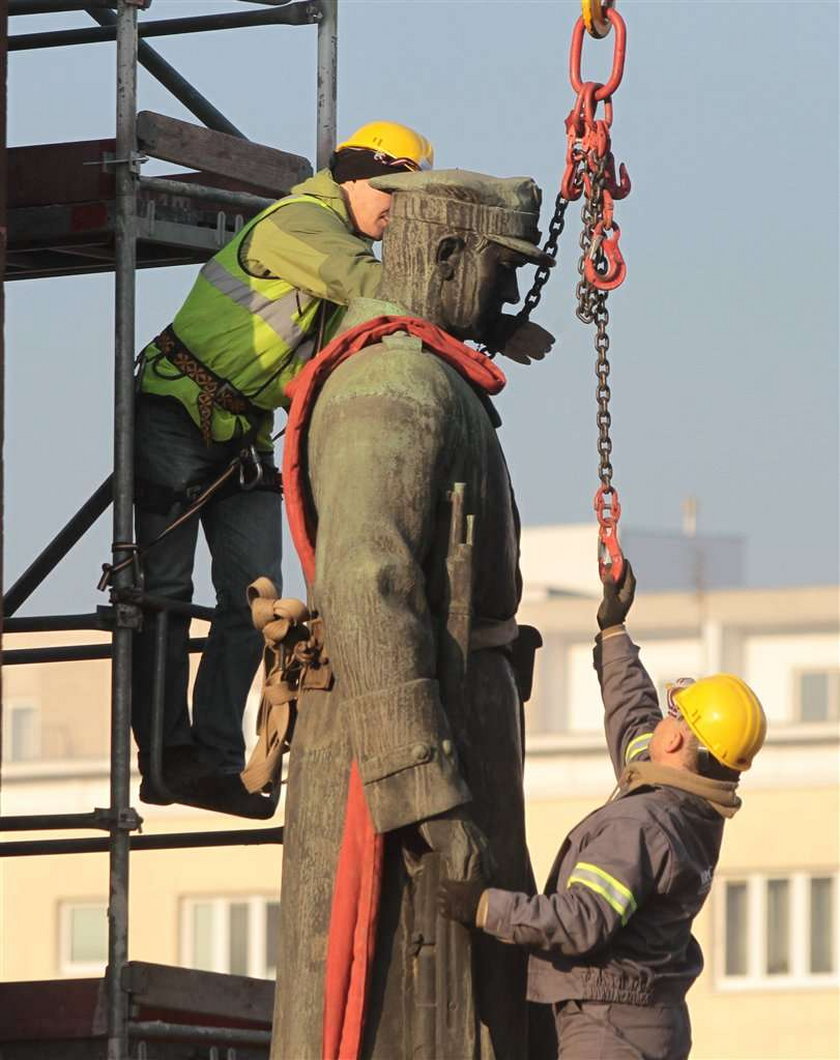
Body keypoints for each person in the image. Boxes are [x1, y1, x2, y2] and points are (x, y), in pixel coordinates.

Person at [270, 171, 557, 1058]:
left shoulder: (428, 375)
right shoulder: (392, 385)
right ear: (441, 253)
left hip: (455, 734)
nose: (509, 292)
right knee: (409, 1014)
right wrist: (428, 797)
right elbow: (367, 582)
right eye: (499, 269)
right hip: (405, 776)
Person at [132, 122, 435, 818]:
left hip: (239, 434)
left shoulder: (347, 247)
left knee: (254, 605)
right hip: (175, 410)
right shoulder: (297, 223)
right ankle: (166, 755)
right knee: (166, 594)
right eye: (392, 190)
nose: (398, 207)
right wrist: (476, 311)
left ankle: (211, 761)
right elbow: (369, 285)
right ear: (354, 177)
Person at [438, 561, 768, 1060]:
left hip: (610, 1032)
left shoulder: (642, 826)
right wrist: (613, 631)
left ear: (676, 737)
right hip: (645, 1020)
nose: (662, 717)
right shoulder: (685, 803)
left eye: (673, 713)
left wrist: (485, 907)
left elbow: (581, 919)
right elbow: (632, 713)